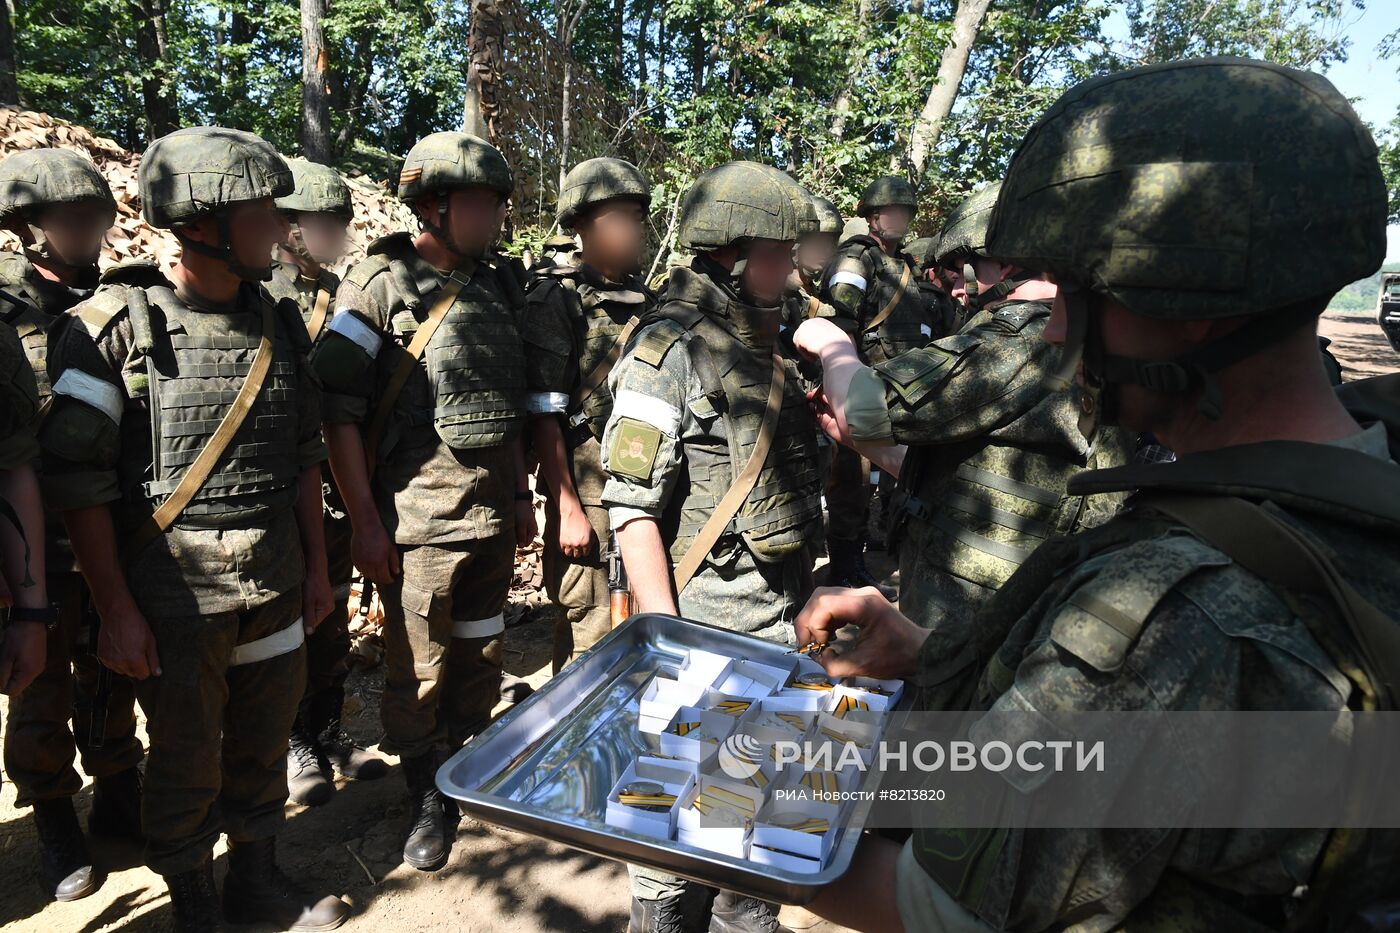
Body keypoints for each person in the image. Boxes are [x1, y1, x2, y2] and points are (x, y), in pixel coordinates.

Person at [792, 57, 1400, 932]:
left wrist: (717, 803)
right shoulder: (1355, 498)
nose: (1056, 327)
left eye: (1079, 294)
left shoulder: (1170, 609)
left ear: (1183, 298)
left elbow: (939, 904)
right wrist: (934, 653)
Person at [40, 126, 350, 932]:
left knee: (261, 741)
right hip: (173, 598)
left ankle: (256, 876)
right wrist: (115, 608)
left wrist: (318, 571)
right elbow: (80, 486)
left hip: (276, 580)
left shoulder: (280, 322)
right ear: (199, 223)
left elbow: (305, 456)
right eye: (258, 215)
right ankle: (195, 899)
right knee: (182, 757)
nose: (278, 231)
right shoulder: (111, 327)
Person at [600, 160, 826, 933]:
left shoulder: (762, 346)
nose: (789, 269)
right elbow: (630, 510)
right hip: (699, 634)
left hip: (776, 631)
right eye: (776, 253)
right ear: (731, 255)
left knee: (749, 838)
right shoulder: (666, 354)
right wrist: (668, 641)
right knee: (667, 854)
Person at [309, 130, 535, 872]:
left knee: (480, 650)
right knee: (420, 668)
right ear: (433, 207)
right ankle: (424, 795)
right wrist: (367, 524)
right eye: (481, 204)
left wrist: (524, 496)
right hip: (417, 525)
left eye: (499, 205)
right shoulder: (378, 287)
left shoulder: (499, 285)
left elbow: (512, 406)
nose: (495, 218)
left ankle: (464, 763)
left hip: (493, 514)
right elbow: (336, 412)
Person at [796, 182, 1132, 670]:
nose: (955, 287)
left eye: (962, 269)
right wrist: (867, 445)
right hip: (1014, 613)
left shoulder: (1023, 339)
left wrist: (833, 348)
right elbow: (987, 477)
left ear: (1008, 263)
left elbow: (866, 407)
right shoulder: (1080, 337)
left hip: (976, 626)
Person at [0, 147, 146, 902]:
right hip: (39, 543)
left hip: (116, 526)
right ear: (28, 226)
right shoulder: (5, 313)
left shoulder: (127, 301)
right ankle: (53, 812)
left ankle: (121, 784)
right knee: (41, 683)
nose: (89, 229)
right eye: (71, 217)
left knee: (113, 667)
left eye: (98, 215)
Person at [267, 156, 389, 806]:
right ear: (285, 225)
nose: (332, 233)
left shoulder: (345, 294)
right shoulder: (261, 299)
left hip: (336, 492)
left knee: (332, 614)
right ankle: (292, 740)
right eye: (319, 221)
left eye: (338, 221)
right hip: (284, 494)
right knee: (289, 620)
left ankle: (329, 727)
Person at [522, 157, 655, 673]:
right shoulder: (557, 300)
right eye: (614, 216)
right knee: (590, 630)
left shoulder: (651, 300)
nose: (629, 228)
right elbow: (544, 411)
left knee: (642, 622)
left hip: (646, 487)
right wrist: (568, 506)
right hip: (589, 490)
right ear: (579, 225)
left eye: (634, 217)